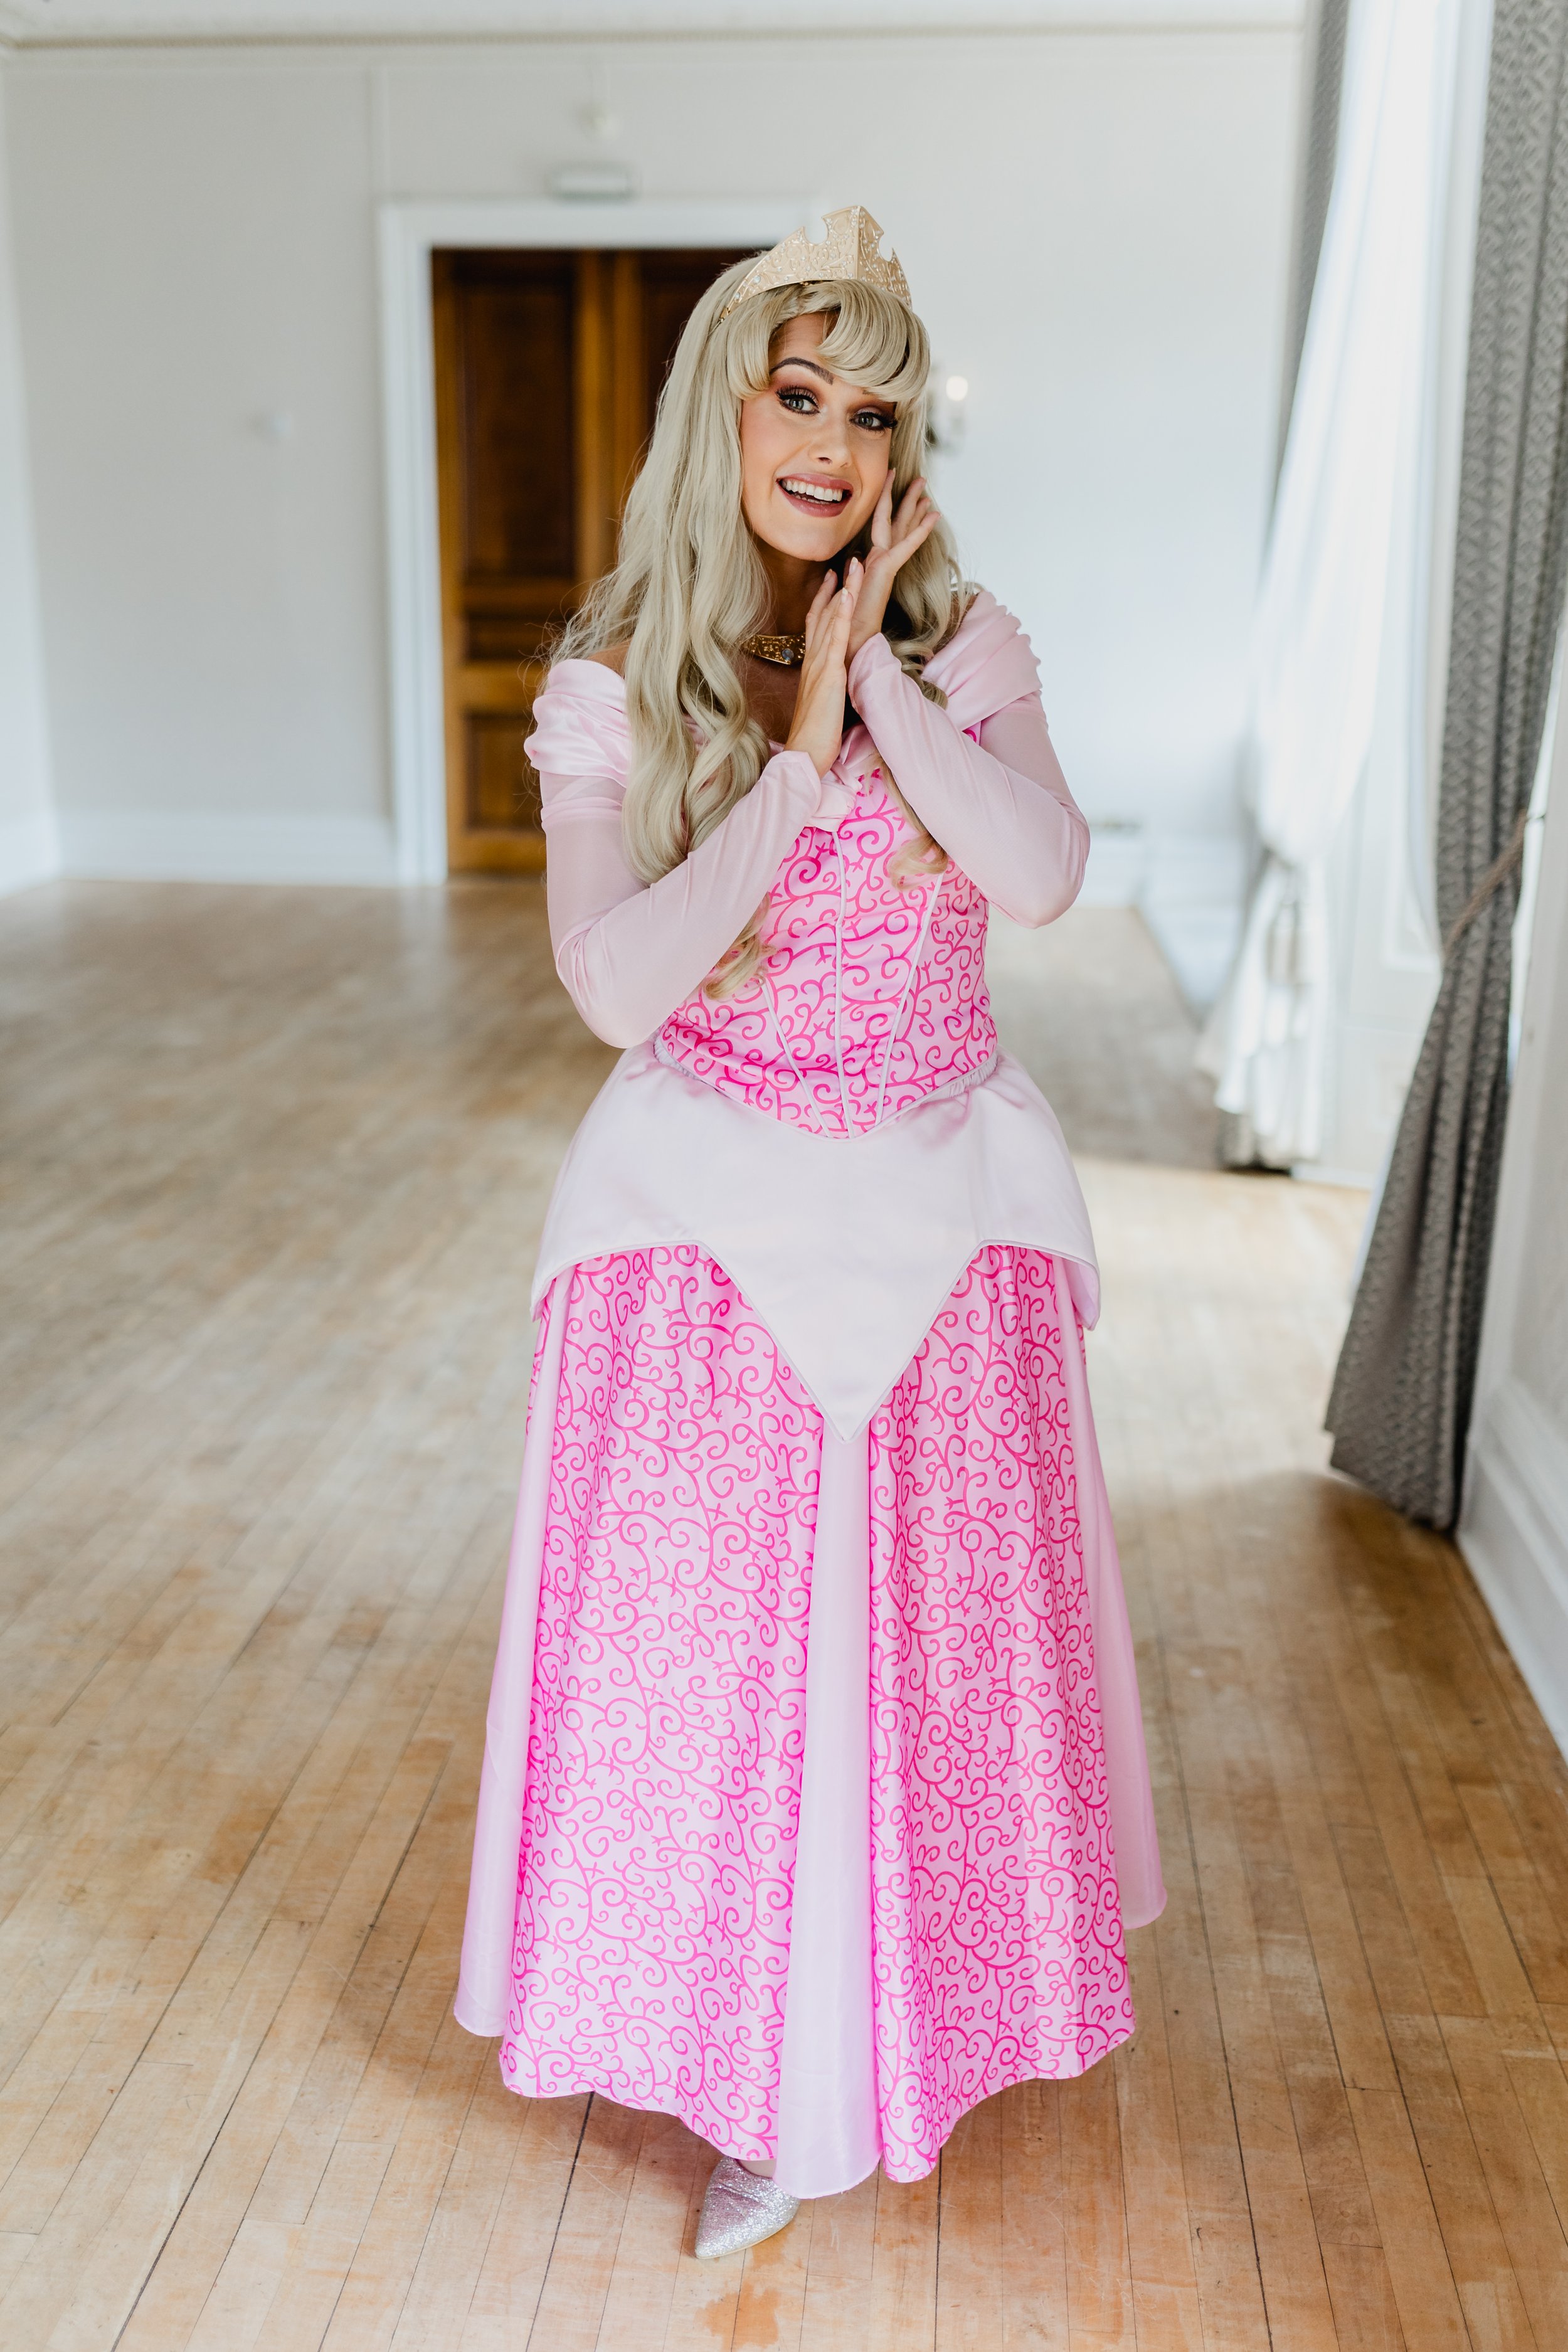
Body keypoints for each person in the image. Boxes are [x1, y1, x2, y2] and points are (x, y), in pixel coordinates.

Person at [455, 208, 1165, 2260]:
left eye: (874, 409)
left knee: (925, 1678)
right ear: (728, 410)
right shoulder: (618, 671)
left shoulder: (971, 644)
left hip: (941, 1211)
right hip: (711, 1227)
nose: (834, 446)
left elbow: (1033, 879)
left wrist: (883, 685)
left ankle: (902, 2044)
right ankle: (760, 2085)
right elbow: (613, 984)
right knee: (722, 1676)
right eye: (799, 397)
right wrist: (785, 752)